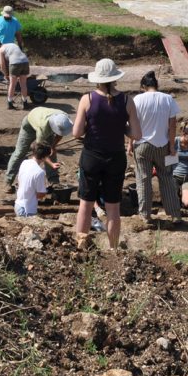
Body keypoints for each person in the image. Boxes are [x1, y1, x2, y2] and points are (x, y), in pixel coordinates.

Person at [72, 58, 141, 250]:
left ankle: (81, 245)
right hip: (116, 158)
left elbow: (76, 133)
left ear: (97, 79)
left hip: (92, 157)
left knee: (85, 204)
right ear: (115, 78)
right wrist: (121, 127)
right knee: (113, 208)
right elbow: (136, 134)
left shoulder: (88, 99)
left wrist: (91, 125)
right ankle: (113, 249)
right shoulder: (127, 101)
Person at [130, 71, 182, 222]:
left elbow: (133, 124)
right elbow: (172, 125)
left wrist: (130, 143)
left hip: (142, 145)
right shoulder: (168, 99)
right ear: (156, 85)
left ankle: (145, 215)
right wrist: (172, 146)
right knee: (167, 178)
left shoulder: (137, 99)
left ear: (143, 86)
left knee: (143, 180)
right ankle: (174, 215)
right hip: (163, 145)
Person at [5, 107, 72, 192]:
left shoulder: (64, 119)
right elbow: (40, 150)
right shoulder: (43, 128)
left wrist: (53, 146)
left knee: (51, 153)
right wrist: (51, 164)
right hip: (29, 124)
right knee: (20, 152)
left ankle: (54, 181)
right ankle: (8, 181)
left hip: (44, 120)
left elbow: (60, 133)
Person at [14, 143, 51, 217]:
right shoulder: (40, 172)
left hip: (18, 205)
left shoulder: (24, 162)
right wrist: (46, 191)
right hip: (27, 210)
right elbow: (40, 195)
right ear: (44, 157)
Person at [0, 41, 31, 110]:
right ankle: (25, 103)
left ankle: (10, 103)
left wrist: (5, 75)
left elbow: (2, 65)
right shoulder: (12, 44)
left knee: (12, 84)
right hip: (25, 62)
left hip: (15, 63)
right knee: (23, 84)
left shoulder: (0, 50)